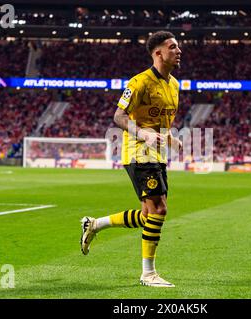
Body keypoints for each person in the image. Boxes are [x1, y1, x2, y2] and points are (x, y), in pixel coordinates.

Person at [80, 31, 182, 288]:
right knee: (160, 209)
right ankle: (148, 274)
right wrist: (141, 133)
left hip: (156, 152)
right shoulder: (138, 83)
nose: (179, 51)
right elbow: (118, 116)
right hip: (137, 151)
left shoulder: (174, 85)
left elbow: (161, 123)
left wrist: (170, 138)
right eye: (173, 47)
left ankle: (95, 224)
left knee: (150, 214)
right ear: (158, 53)